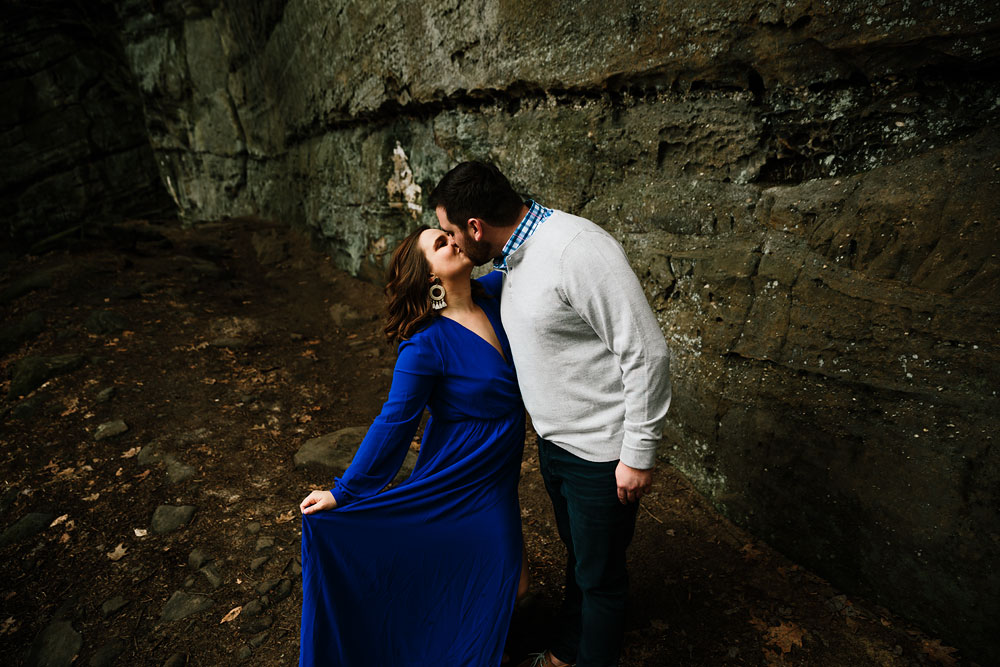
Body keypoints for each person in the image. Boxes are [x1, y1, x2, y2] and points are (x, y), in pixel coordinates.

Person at [428, 162, 672, 667]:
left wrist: (638, 454)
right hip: (558, 446)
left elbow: (646, 352)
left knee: (601, 579)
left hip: (603, 455)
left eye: (452, 231)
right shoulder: (511, 259)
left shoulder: (576, 251)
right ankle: (564, 654)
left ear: (475, 226)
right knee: (582, 560)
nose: (452, 242)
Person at [298, 225, 527, 666]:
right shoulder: (425, 345)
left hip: (497, 469)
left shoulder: (496, 294)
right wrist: (342, 492)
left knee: (509, 581)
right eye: (440, 244)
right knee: (512, 584)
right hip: (459, 472)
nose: (453, 239)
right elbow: (394, 422)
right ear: (429, 279)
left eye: (447, 233)